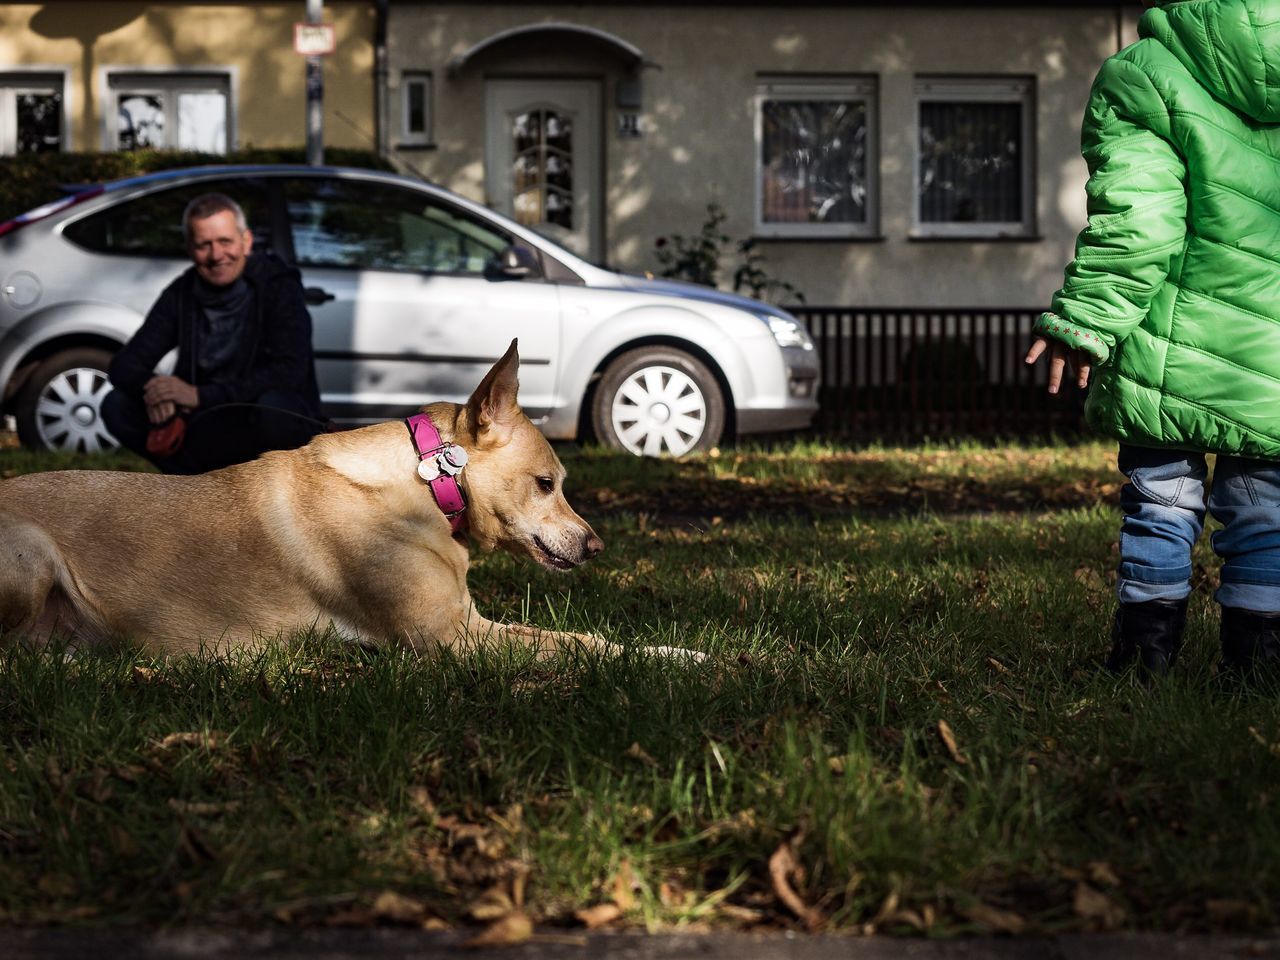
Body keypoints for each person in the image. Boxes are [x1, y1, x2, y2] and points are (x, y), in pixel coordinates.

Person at [1027, 0, 1280, 682]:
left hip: (1164, 352)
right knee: (1264, 512)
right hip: (1270, 365)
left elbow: (1140, 220)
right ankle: (1257, 666)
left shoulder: (1146, 74)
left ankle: (1145, 659)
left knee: (1161, 504)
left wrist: (1087, 319)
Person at [102, 192, 324, 474]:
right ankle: (188, 485)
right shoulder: (182, 292)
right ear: (190, 249)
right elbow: (124, 365)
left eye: (225, 242)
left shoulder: (278, 286)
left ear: (246, 242)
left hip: (258, 419)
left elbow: (289, 372)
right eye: (204, 245)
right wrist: (158, 390)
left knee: (274, 407)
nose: (217, 255)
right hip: (204, 422)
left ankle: (269, 488)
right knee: (116, 405)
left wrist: (199, 395)